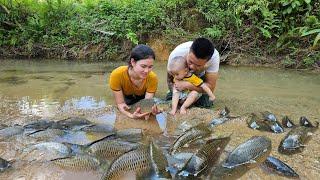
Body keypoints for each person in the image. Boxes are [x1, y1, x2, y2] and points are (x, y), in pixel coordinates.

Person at [166, 37, 220, 108]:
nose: (192, 67)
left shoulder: (214, 58)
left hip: (199, 80)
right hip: (180, 81)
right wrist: (178, 94)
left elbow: (210, 87)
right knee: (169, 100)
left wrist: (188, 85)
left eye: (198, 65)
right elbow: (170, 80)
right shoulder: (177, 55)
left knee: (206, 104)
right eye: (190, 62)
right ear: (189, 52)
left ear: (207, 62)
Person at [109, 44, 159, 119]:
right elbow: (121, 103)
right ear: (133, 62)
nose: (147, 71)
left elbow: (147, 104)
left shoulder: (152, 78)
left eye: (150, 67)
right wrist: (131, 116)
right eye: (143, 66)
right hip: (127, 97)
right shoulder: (117, 75)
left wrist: (150, 112)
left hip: (142, 97)